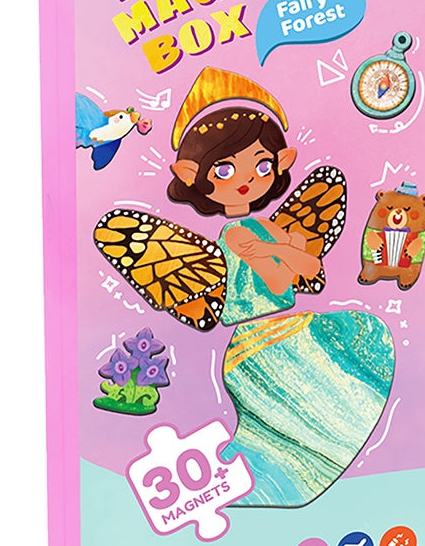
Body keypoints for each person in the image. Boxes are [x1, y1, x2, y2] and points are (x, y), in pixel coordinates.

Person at [166, 68, 395, 507]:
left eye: (262, 165)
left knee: (361, 343)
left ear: (282, 163)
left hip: (285, 326)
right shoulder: (234, 234)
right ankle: (270, 482)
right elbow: (278, 277)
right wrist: (285, 252)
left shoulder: (266, 229)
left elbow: (305, 266)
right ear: (191, 174)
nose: (246, 180)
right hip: (254, 339)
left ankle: (303, 471)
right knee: (276, 412)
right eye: (225, 169)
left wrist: (282, 251)